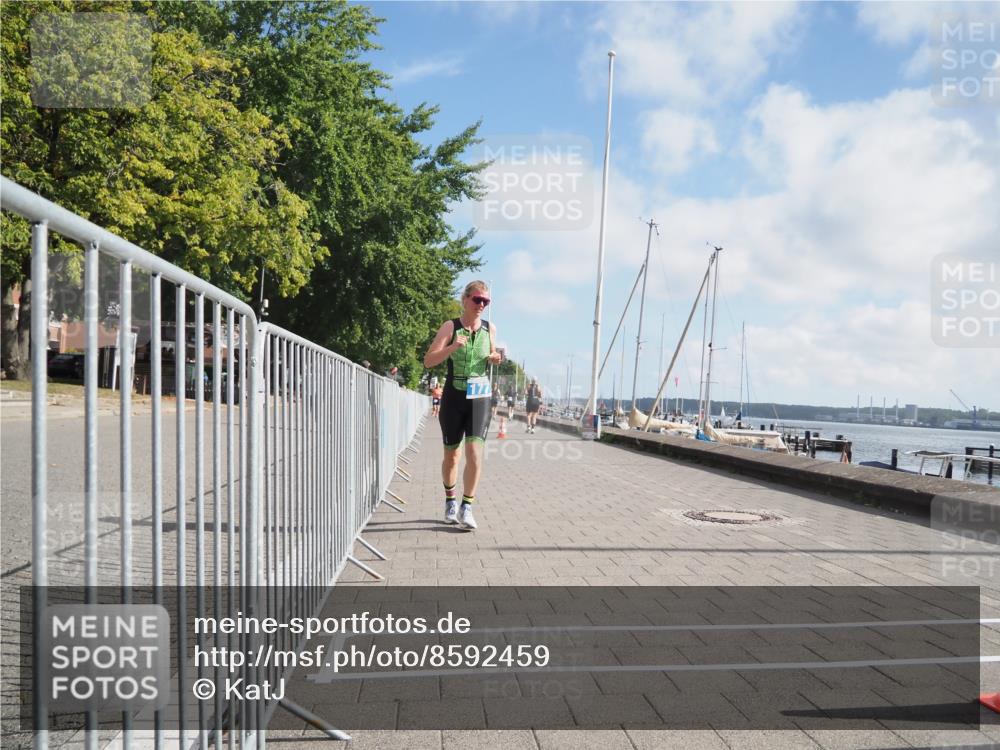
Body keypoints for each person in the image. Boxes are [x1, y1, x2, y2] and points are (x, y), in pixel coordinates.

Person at [423, 280, 502, 530]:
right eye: (477, 300)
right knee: (452, 455)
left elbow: (492, 354)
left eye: (485, 302)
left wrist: (496, 357)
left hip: (479, 397)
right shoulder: (451, 326)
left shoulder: (490, 329)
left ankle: (467, 506)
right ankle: (450, 501)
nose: (481, 305)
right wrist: (452, 347)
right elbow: (428, 361)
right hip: (453, 396)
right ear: (465, 300)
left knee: (475, 453)